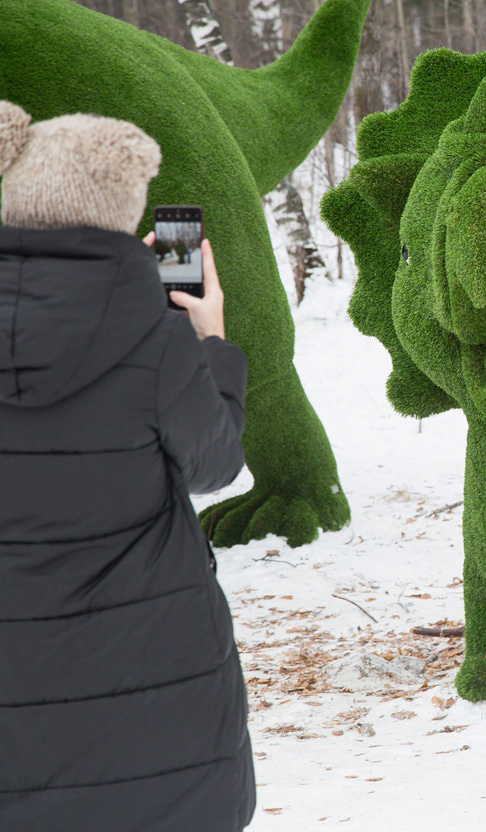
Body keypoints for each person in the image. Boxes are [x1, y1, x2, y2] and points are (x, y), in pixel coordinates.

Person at [0, 101, 255, 829]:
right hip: (154, 708)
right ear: (119, 205)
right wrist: (211, 342)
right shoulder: (155, 337)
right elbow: (216, 465)